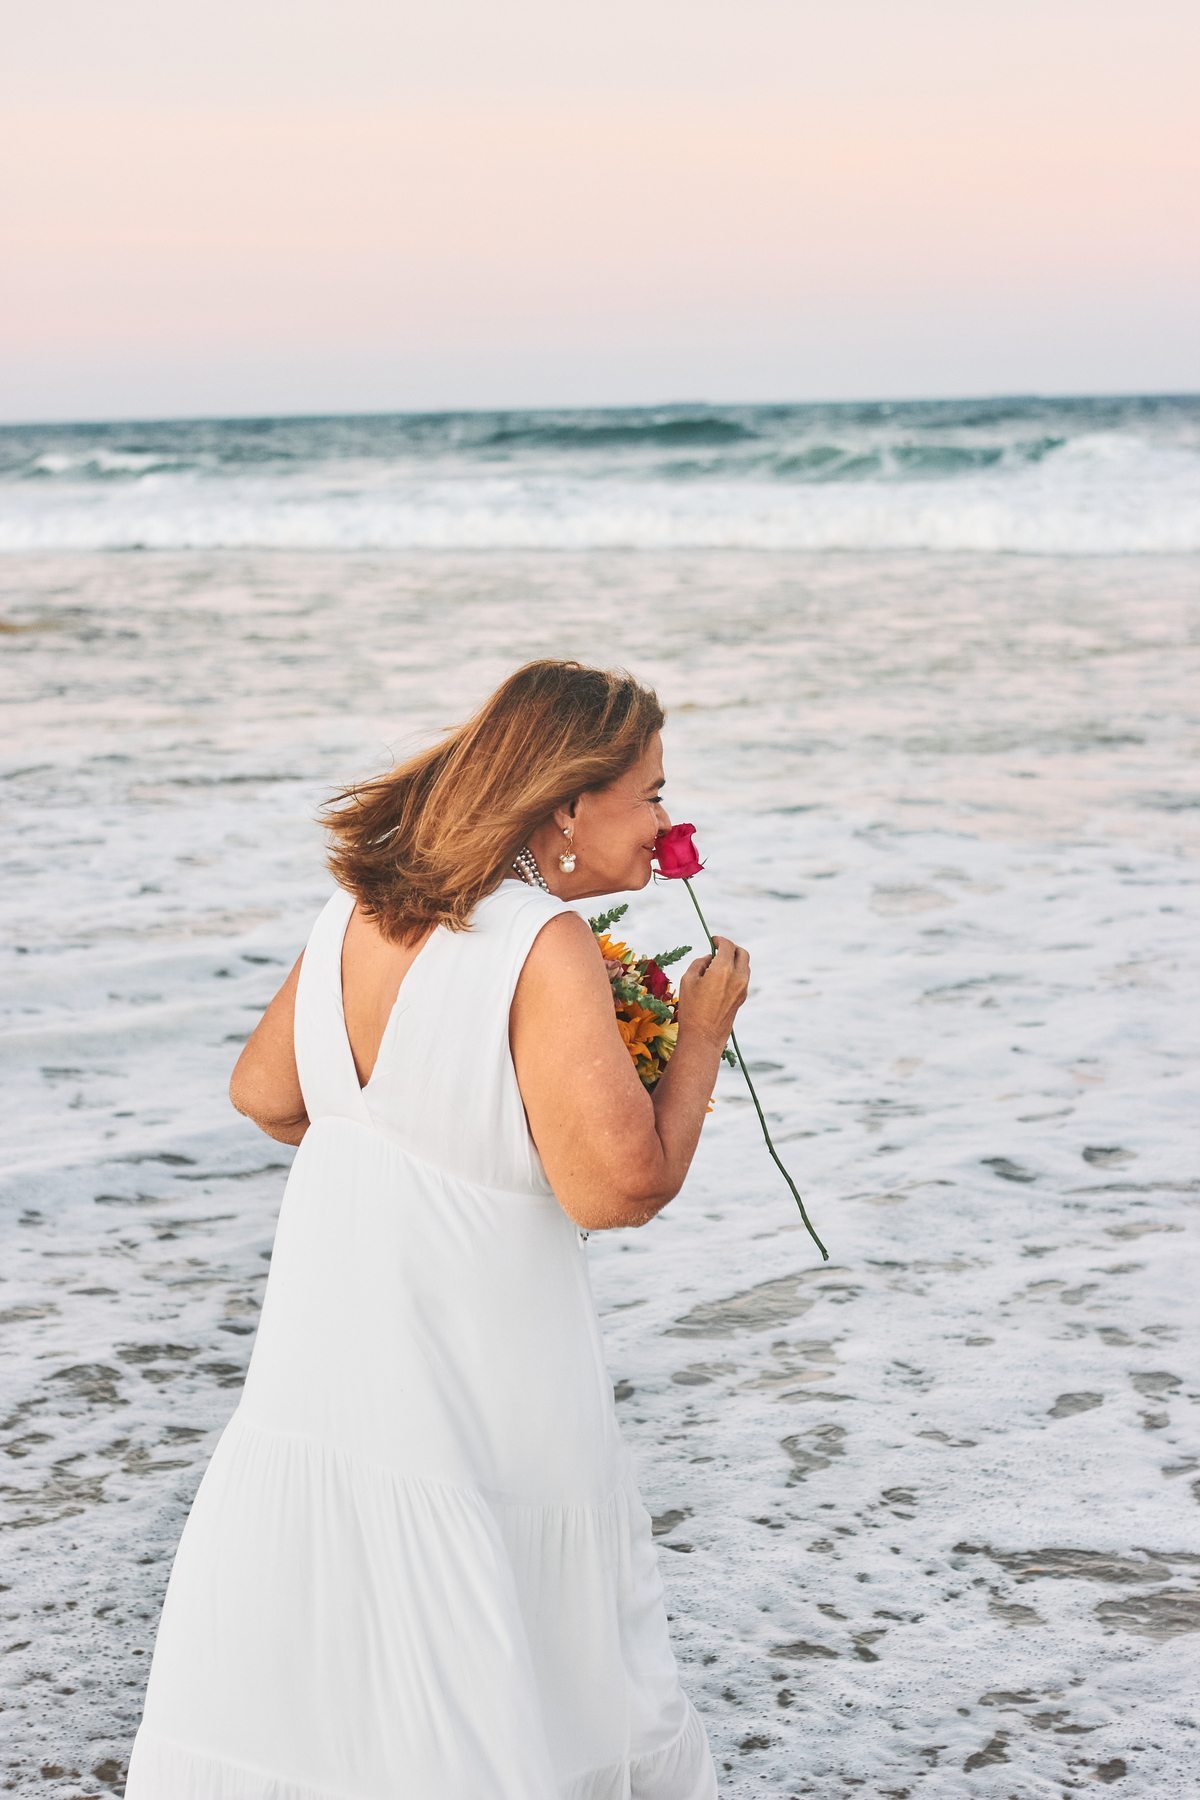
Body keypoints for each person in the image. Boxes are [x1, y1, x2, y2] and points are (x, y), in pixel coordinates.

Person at [125, 659, 750, 1800]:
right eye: (652, 792)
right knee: (535, 1648)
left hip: (339, 1356)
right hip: (479, 1371)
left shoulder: (362, 907)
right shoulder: (542, 942)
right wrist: (699, 1030)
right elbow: (619, 1190)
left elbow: (267, 1095)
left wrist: (408, 1125)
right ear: (569, 802)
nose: (668, 820)